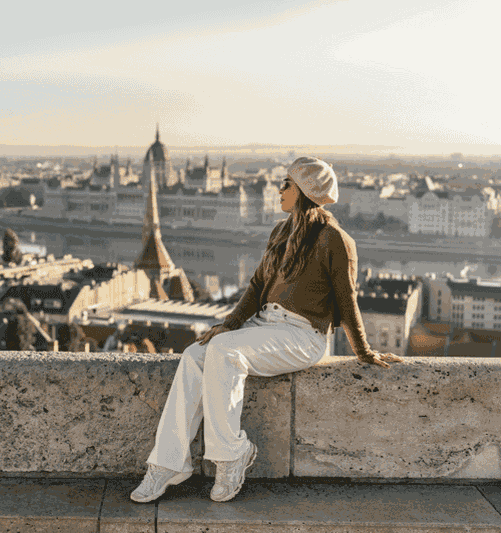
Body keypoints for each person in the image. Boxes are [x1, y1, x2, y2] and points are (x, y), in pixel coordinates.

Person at [130, 156, 404, 504]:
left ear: (305, 191)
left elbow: (346, 300)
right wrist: (227, 324)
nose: (280, 189)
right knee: (194, 354)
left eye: (287, 184)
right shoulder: (280, 231)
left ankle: (232, 455)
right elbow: (258, 285)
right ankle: (168, 462)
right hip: (265, 325)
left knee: (224, 352)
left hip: (304, 335)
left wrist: (364, 351)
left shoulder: (335, 239)